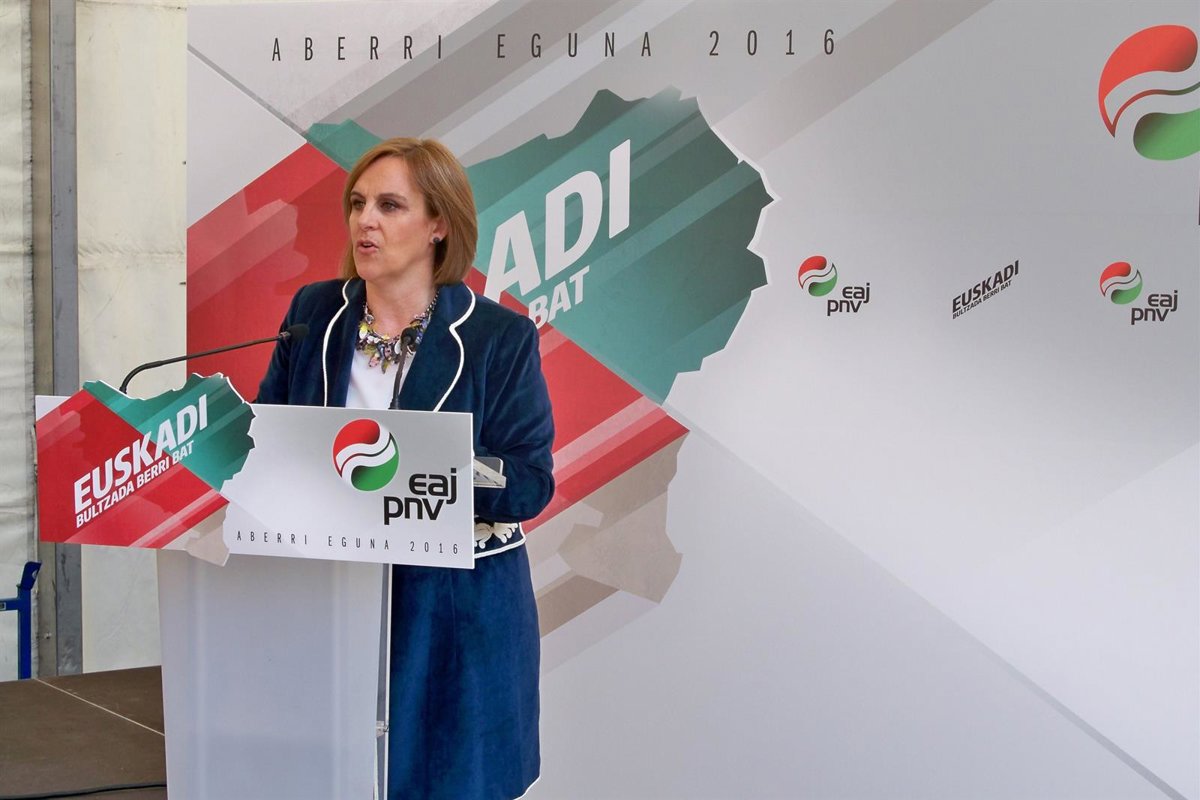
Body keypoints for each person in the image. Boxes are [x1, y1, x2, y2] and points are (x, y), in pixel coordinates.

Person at [256, 137, 554, 799]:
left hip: (454, 616)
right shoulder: (313, 315)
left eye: (390, 206)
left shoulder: (498, 338)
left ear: (438, 224)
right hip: (331, 604)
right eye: (357, 204)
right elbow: (268, 440)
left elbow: (531, 481)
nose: (366, 221)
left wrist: (423, 462)